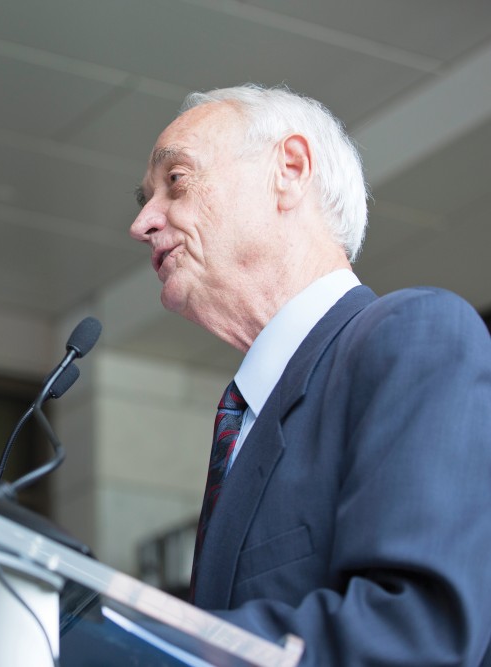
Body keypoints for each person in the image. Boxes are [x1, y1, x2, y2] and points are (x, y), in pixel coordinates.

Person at [129, 83, 491, 666]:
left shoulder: (415, 335)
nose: (143, 222)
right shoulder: (247, 420)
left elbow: (417, 633)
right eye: (147, 199)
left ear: (290, 170)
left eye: (176, 181)